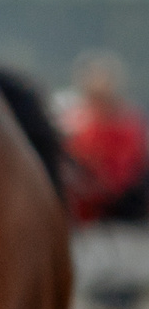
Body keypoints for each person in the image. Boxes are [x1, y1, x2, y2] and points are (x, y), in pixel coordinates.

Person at [64, 53, 149, 225]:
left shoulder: (128, 126)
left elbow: (120, 177)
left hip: (120, 212)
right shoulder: (75, 122)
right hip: (81, 211)